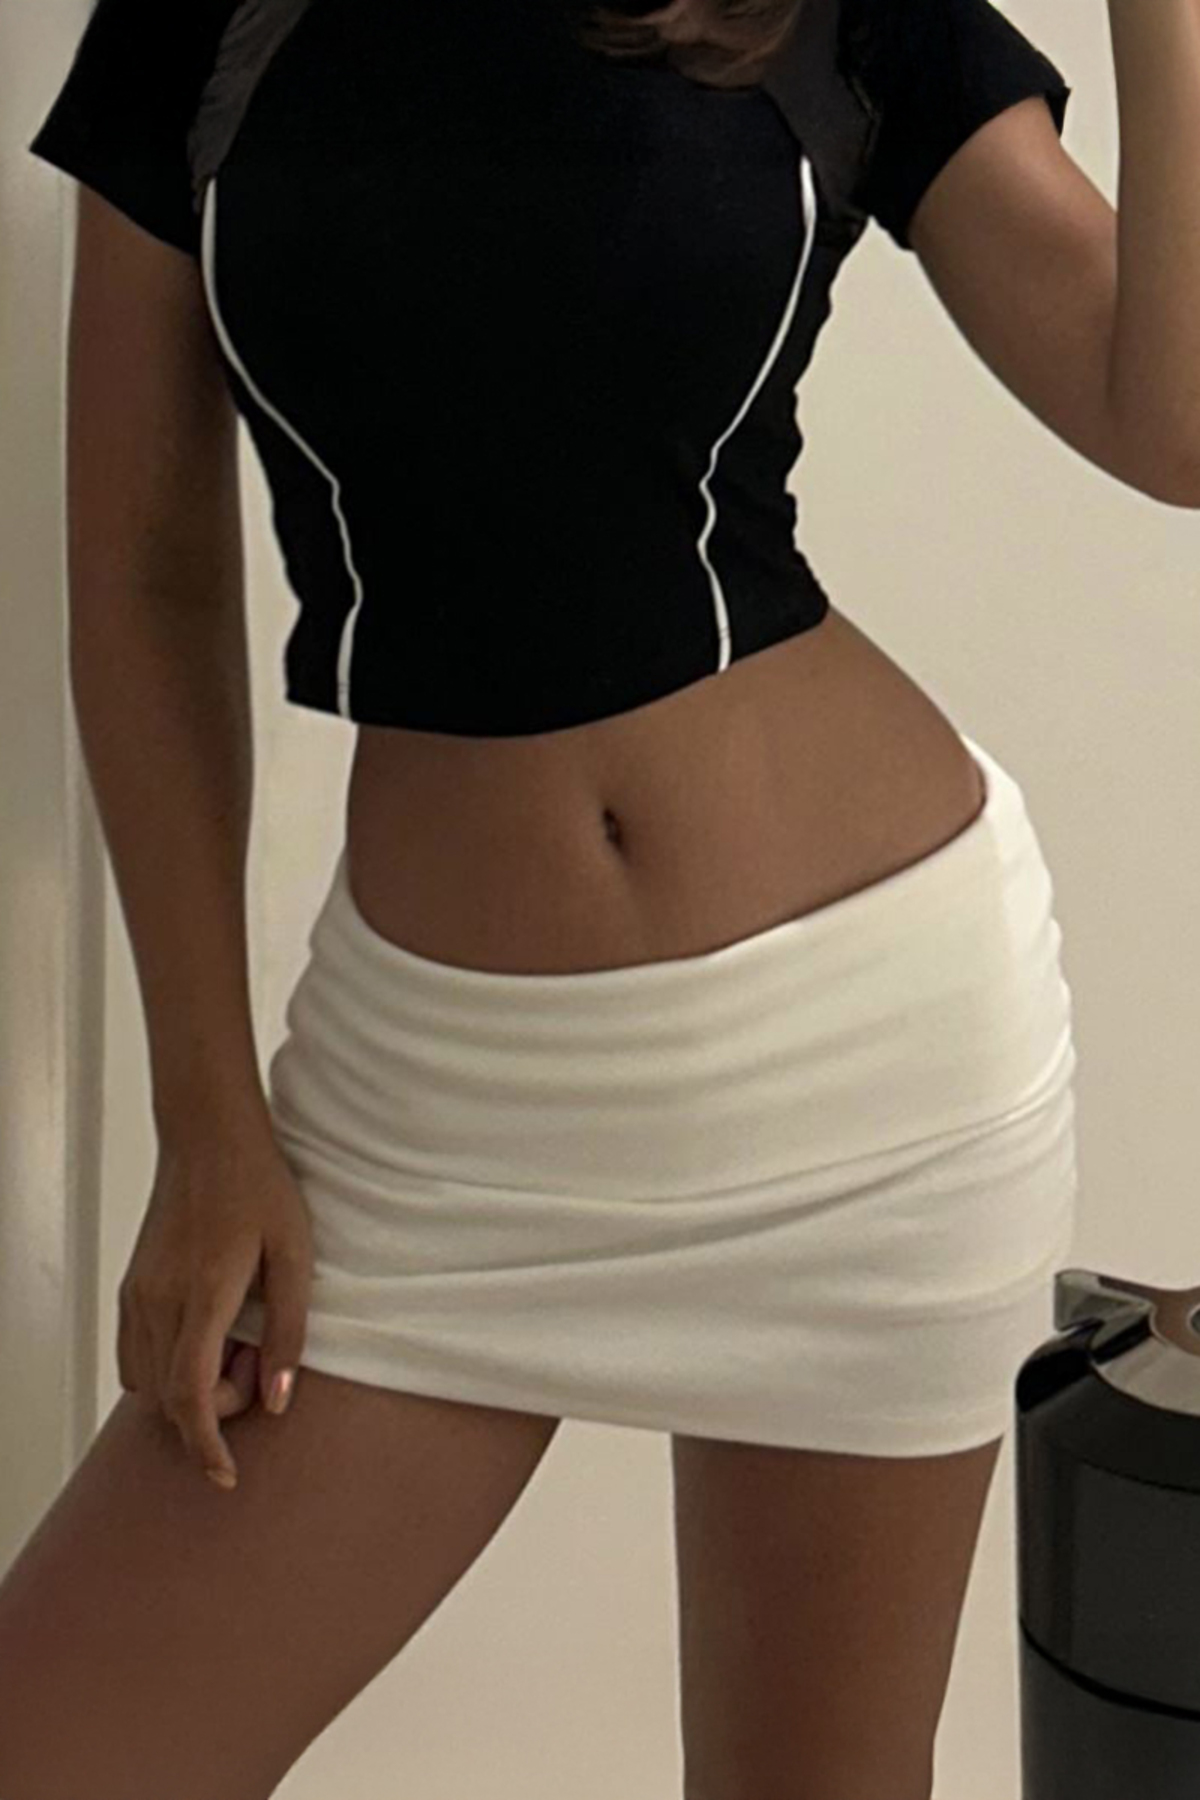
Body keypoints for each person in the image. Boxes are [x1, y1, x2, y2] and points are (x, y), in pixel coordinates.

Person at [2, 0, 1122, 1792]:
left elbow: (1171, 418)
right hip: (433, 1105)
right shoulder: (206, 23)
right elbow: (144, 573)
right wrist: (206, 1123)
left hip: (865, 1066)